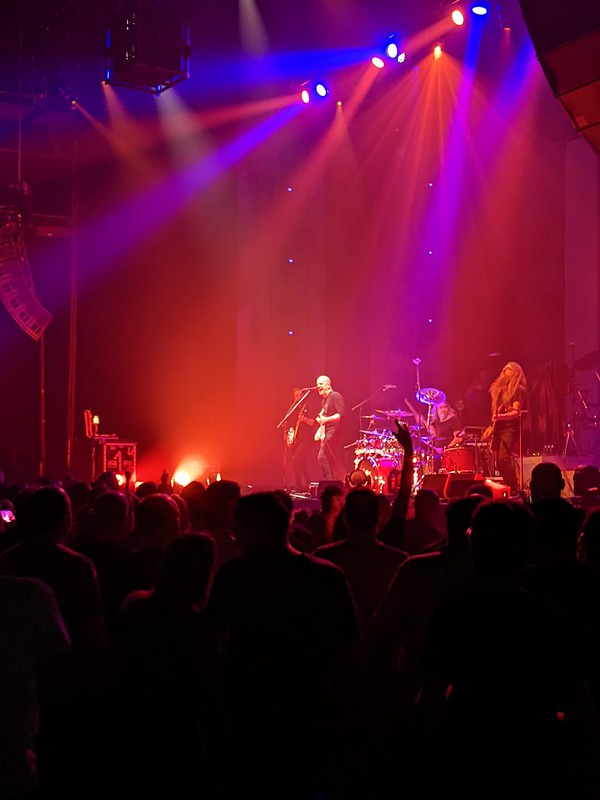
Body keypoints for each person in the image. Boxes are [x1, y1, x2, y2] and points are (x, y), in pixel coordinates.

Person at [485, 361, 528, 494]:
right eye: (504, 368)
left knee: (504, 457)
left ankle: (514, 488)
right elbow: (497, 413)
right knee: (497, 460)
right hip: (500, 427)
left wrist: (501, 417)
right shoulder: (500, 391)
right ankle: (509, 486)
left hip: (510, 427)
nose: (504, 370)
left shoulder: (518, 390)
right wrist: (492, 427)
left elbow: (516, 412)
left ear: (515, 373)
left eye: (508, 369)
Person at [283, 387, 318, 492]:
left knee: (296, 461)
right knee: (301, 463)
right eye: (296, 396)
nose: (299, 398)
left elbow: (313, 422)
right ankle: (309, 485)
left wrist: (304, 419)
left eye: (300, 395)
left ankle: (299, 486)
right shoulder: (293, 409)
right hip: (296, 440)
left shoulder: (308, 407)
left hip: (306, 440)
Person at [315, 375, 346, 481]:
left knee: (322, 457)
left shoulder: (335, 396)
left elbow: (340, 415)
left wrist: (325, 419)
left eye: (320, 384)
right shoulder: (323, 401)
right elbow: (323, 419)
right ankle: (336, 481)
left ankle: (330, 482)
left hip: (335, 432)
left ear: (328, 384)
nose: (318, 386)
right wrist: (321, 433)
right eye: (317, 384)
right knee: (330, 460)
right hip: (327, 433)